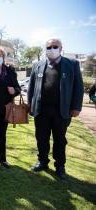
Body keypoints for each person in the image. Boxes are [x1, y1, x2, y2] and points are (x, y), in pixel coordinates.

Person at [28, 38, 84, 179]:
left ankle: (60, 166)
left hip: (61, 110)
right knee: (41, 138)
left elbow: (79, 87)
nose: (52, 49)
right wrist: (30, 105)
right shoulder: (38, 65)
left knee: (59, 139)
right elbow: (31, 87)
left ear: (61, 48)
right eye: (49, 47)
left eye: (55, 46)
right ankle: (42, 162)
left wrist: (76, 107)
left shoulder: (72, 64)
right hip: (41, 110)